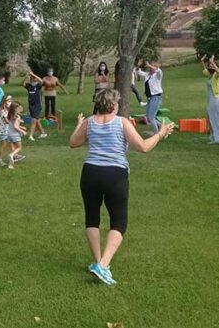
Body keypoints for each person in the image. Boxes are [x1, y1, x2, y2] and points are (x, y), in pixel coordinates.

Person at [69, 88, 174, 285]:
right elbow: (143, 147)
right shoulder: (121, 122)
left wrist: (78, 126)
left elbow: (73, 142)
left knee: (92, 218)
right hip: (115, 175)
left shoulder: (89, 122)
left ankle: (98, 262)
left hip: (90, 173)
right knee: (119, 221)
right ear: (114, 105)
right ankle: (103, 264)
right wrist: (160, 134)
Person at [136, 61, 164, 134]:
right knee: (148, 118)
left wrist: (150, 65)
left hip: (156, 98)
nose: (151, 68)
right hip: (150, 99)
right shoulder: (147, 75)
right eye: (150, 67)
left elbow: (158, 70)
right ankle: (162, 127)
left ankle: (156, 133)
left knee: (151, 117)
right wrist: (138, 65)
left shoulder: (158, 75)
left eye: (152, 67)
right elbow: (138, 72)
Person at [24, 72, 47, 141]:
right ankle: (43, 133)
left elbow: (42, 81)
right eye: (32, 79)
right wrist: (26, 77)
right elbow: (22, 84)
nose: (34, 80)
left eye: (35, 79)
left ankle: (30, 135)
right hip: (31, 105)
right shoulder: (29, 86)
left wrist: (34, 75)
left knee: (34, 120)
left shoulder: (38, 86)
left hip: (37, 105)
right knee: (37, 120)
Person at [5, 101, 27, 170]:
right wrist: (22, 131)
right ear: (15, 109)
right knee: (19, 147)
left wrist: (21, 127)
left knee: (13, 148)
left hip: (9, 134)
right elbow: (15, 126)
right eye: (18, 108)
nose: (20, 109)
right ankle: (11, 155)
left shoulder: (10, 115)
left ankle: (10, 164)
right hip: (15, 135)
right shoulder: (17, 117)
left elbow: (12, 125)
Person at [0, 95, 13, 166]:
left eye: (11, 100)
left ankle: (14, 155)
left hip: (7, 130)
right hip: (3, 131)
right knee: (3, 145)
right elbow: (6, 121)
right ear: (4, 102)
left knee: (11, 143)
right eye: (8, 100)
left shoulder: (8, 110)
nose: (10, 102)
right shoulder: (2, 110)